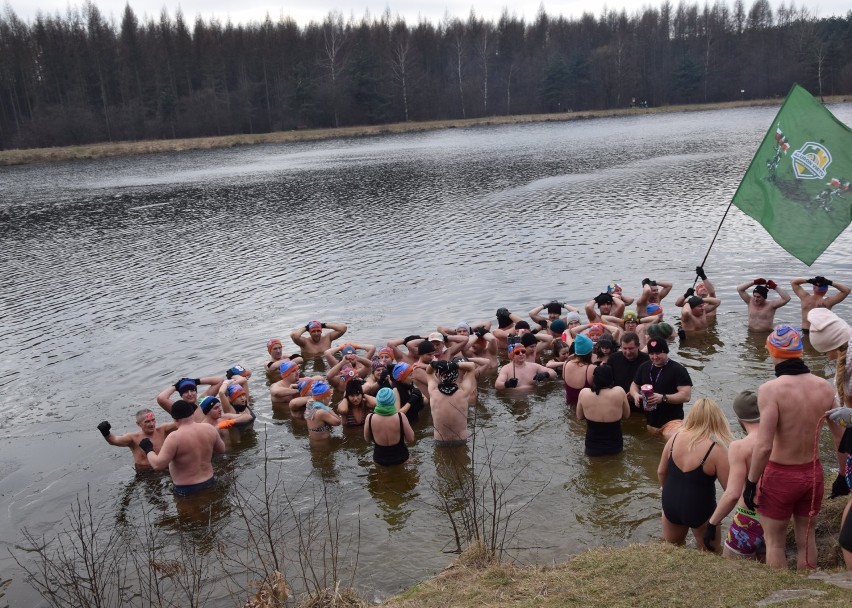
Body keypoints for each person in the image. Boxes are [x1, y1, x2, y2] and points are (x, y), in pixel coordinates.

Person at [742, 323, 845, 569]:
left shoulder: (770, 390)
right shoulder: (825, 386)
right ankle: (806, 590)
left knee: (775, 542)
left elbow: (764, 445)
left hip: (780, 475)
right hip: (812, 473)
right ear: (799, 352)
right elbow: (840, 436)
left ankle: (780, 596)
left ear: (772, 352)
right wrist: (842, 474)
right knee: (806, 539)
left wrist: (751, 482)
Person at [657, 398, 732, 550]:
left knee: (672, 549)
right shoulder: (717, 449)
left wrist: (668, 491)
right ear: (717, 420)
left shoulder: (674, 438)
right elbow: (730, 491)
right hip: (700, 508)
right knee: (711, 555)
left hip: (671, 503)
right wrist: (717, 519)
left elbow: (661, 472)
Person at [704, 390, 765, 560]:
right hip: (776, 518)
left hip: (748, 520)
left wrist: (712, 523)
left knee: (732, 567)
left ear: (739, 419)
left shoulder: (739, 447)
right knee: (769, 569)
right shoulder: (779, 439)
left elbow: (732, 493)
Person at [140, 399, 226, 495]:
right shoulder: (209, 428)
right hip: (210, 481)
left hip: (187, 489)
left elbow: (158, 465)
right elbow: (221, 450)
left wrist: (148, 449)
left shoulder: (174, 437)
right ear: (192, 414)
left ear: (175, 419)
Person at [629, 338, 693, 438]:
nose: (654, 357)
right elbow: (634, 385)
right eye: (651, 354)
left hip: (673, 422)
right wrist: (635, 395)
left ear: (666, 352)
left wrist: (663, 398)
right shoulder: (644, 367)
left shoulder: (678, 370)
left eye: (658, 353)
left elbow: (686, 396)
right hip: (651, 422)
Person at [576, 365, 630, 456]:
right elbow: (627, 415)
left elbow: (579, 416)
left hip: (592, 446)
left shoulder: (584, 393)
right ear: (611, 378)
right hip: (615, 445)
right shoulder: (619, 391)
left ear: (594, 378)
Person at [97, 409, 176, 467]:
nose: (152, 424)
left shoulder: (163, 430)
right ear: (138, 424)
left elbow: (182, 422)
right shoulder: (133, 438)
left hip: (164, 467)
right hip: (145, 472)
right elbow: (113, 440)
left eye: (153, 420)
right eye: (147, 421)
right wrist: (105, 432)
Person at [427, 360, 476, 446]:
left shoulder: (433, 392)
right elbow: (471, 367)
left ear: (439, 375)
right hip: (460, 440)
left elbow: (428, 372)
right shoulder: (464, 392)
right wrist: (455, 365)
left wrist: (433, 364)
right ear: (456, 375)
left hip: (440, 440)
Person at [364, 387, 415, 466]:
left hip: (379, 460)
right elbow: (411, 439)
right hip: (401, 459)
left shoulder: (370, 418)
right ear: (393, 401)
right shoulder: (400, 416)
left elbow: (367, 439)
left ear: (378, 401)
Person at [606, 331, 650, 411]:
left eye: (631, 348)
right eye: (624, 348)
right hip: (619, 402)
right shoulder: (613, 359)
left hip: (640, 402)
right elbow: (607, 382)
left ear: (638, 346)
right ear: (621, 347)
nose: (628, 352)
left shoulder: (647, 360)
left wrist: (637, 393)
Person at [156, 376, 223, 419]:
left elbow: (220, 380)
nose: (190, 394)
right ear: (181, 395)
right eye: (185, 392)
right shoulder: (180, 409)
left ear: (196, 391)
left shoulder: (203, 400)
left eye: (192, 390)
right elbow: (161, 398)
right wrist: (176, 386)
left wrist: (196, 381)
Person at [561, 334, 596, 405]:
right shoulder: (591, 368)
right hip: (585, 408)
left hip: (569, 405)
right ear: (590, 352)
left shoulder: (566, 364)